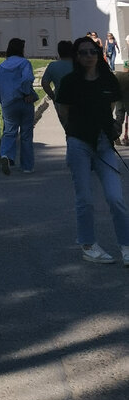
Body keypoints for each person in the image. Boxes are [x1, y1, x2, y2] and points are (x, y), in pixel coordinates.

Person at [55, 36, 129, 265]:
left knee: (115, 197)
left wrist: (116, 124)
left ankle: (126, 246)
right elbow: (62, 109)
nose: (88, 56)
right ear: (77, 56)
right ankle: (88, 245)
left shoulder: (108, 80)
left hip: (104, 144)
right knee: (85, 198)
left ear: (98, 54)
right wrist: (71, 132)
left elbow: (116, 105)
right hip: (80, 144)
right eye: (83, 52)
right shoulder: (70, 82)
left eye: (92, 52)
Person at [0, 37, 37, 175]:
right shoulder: (24, 63)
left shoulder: (2, 67)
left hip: (8, 104)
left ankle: (5, 155)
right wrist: (26, 92)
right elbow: (28, 78)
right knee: (26, 135)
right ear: (20, 49)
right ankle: (27, 166)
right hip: (24, 101)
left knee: (9, 132)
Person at [40, 40, 74, 126]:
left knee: (67, 128)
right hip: (79, 101)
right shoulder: (79, 65)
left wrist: (53, 96)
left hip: (60, 101)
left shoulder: (53, 66)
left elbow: (44, 83)